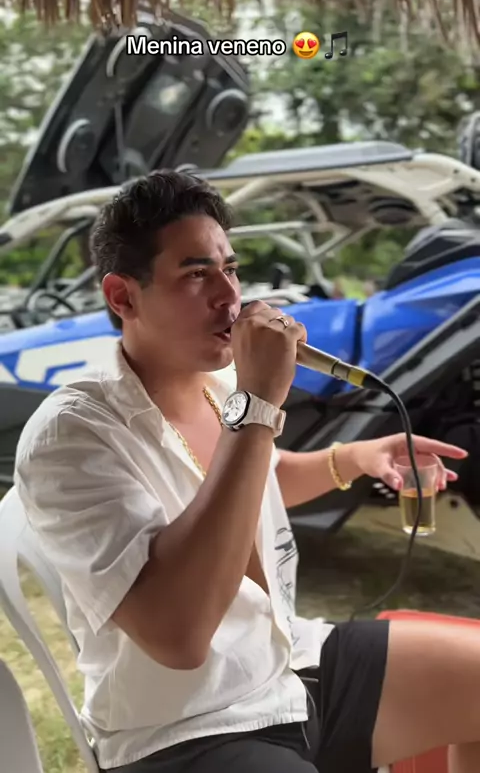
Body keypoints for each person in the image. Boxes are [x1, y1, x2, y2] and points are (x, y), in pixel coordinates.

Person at [13, 170, 479, 773]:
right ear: (122, 297)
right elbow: (178, 636)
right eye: (195, 274)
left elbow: (259, 480)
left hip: (289, 664)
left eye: (229, 269)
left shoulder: (217, 385)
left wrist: (354, 459)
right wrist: (258, 405)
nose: (230, 298)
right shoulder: (71, 436)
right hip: (187, 726)